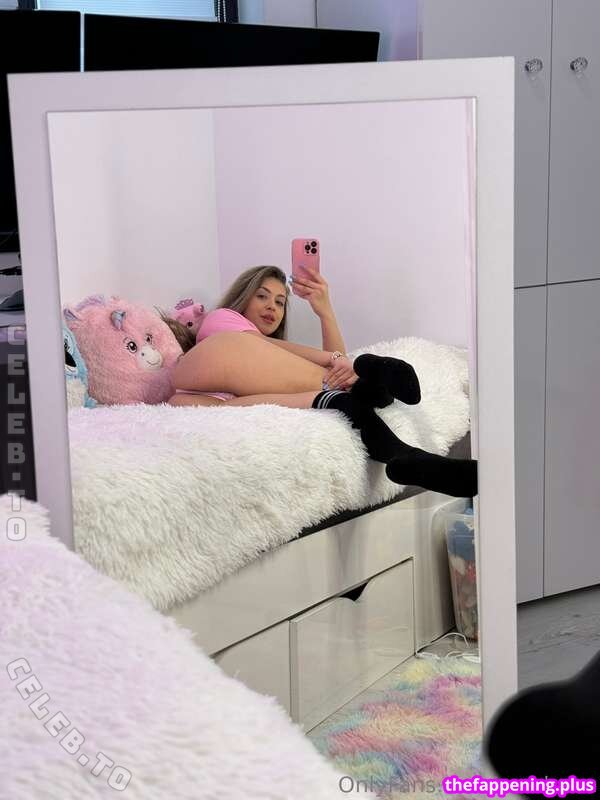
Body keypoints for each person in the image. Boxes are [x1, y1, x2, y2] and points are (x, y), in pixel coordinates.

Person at [160, 265, 477, 498]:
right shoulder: (222, 321)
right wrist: (337, 361)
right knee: (334, 379)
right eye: (262, 296)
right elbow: (262, 349)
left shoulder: (269, 360)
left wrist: (325, 311)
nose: (272, 307)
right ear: (242, 298)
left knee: (337, 399)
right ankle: (370, 381)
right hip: (197, 380)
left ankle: (405, 457)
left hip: (217, 401)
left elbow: (315, 372)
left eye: (280, 302)